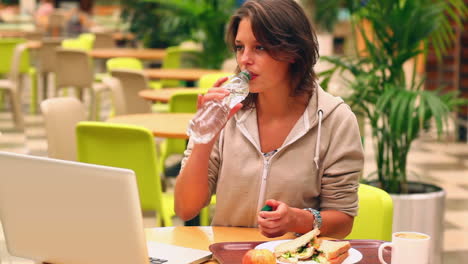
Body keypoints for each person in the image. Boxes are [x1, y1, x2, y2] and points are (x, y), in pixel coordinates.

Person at [174, 0, 364, 239]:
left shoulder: (336, 119)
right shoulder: (226, 110)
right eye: (240, 47)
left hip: (292, 257)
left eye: (260, 47)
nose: (245, 59)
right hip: (227, 254)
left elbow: (343, 221)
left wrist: (297, 219)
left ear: (292, 52)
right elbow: (185, 207)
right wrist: (205, 138)